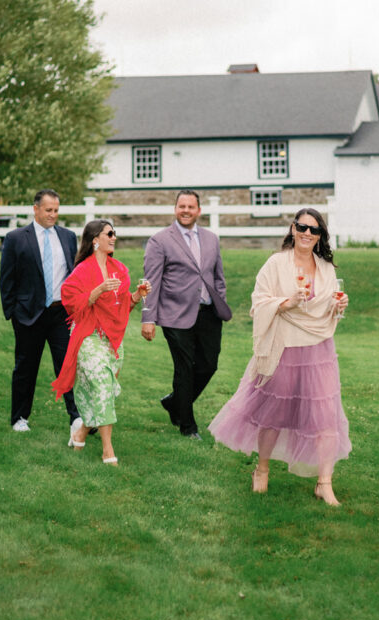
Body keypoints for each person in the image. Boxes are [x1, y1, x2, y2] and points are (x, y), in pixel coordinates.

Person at [208, 207, 350, 504]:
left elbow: (326, 307)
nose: (307, 234)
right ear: (292, 228)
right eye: (302, 227)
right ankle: (261, 470)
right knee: (273, 413)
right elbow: (259, 302)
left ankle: (324, 482)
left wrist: (338, 306)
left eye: (314, 230)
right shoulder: (275, 264)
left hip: (318, 349)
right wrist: (287, 302)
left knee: (325, 416)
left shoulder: (326, 268)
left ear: (320, 235)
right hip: (283, 346)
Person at [51, 219, 149, 463]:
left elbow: (123, 305)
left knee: (105, 392)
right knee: (104, 388)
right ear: (95, 240)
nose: (114, 237)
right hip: (88, 336)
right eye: (109, 234)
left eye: (114, 233)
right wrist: (99, 289)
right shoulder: (82, 270)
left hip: (112, 340)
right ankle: (108, 450)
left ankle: (82, 431)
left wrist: (138, 294)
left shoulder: (119, 268)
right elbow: (70, 301)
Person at [141, 190, 232, 440]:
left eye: (191, 207)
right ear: (175, 209)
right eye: (182, 206)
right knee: (185, 368)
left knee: (209, 365)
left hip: (208, 313)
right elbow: (151, 281)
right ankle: (188, 426)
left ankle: (174, 402)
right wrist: (148, 318)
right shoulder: (159, 240)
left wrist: (220, 300)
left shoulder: (212, 238)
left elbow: (218, 276)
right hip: (174, 314)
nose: (186, 210)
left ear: (198, 211)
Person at [0, 189, 80, 432]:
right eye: (48, 210)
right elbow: (7, 279)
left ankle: (76, 417)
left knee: (67, 365)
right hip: (27, 314)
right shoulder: (15, 238)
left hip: (60, 314)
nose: (52, 215)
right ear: (35, 209)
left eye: (56, 210)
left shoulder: (68, 237)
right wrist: (12, 312)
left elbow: (74, 275)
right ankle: (19, 417)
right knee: (25, 367)